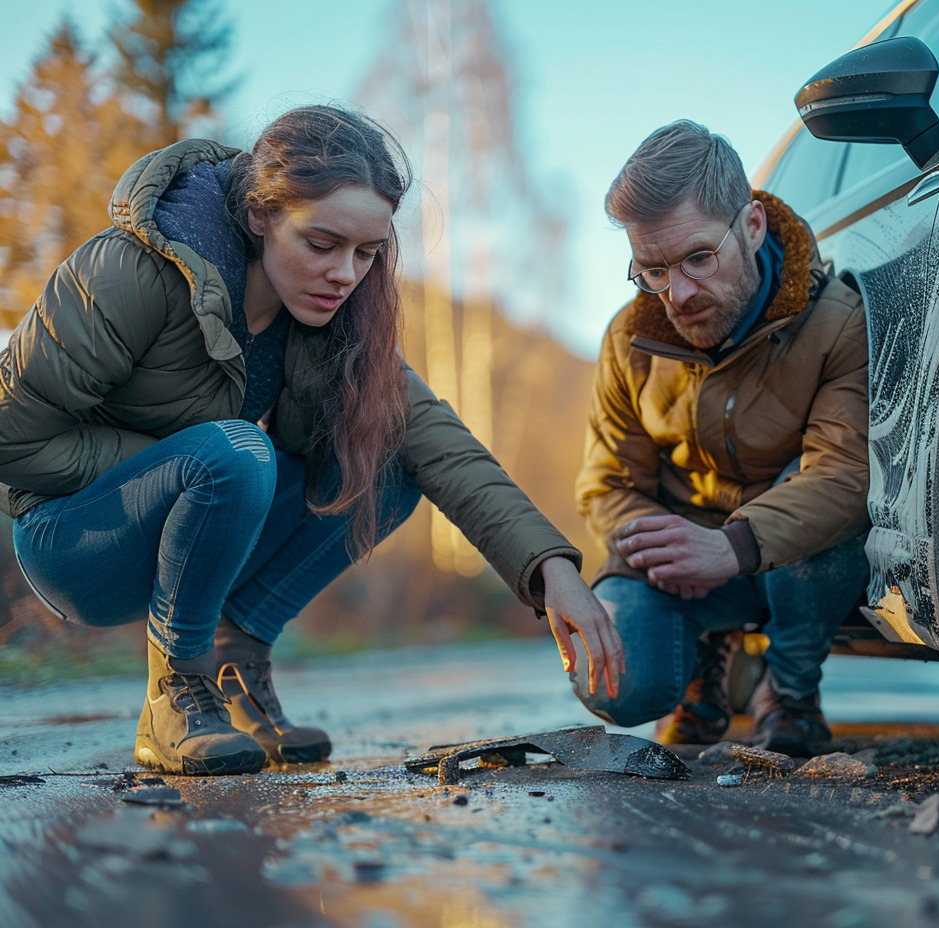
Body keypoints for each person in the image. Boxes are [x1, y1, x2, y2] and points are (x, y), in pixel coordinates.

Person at [0, 104, 623, 777]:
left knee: (387, 461)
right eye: (322, 245)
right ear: (261, 214)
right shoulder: (130, 271)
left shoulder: (337, 319)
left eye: (367, 253)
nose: (346, 274)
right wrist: (173, 469)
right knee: (238, 452)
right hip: (75, 536)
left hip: (206, 508)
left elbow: (442, 444)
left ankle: (237, 662)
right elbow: (12, 435)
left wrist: (551, 570)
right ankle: (175, 694)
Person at [572, 120, 870, 757]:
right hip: (685, 563)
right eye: (652, 270)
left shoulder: (837, 324)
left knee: (815, 521)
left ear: (753, 227)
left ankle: (787, 690)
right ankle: (701, 662)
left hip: (789, 565)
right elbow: (606, 484)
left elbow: (841, 478)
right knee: (617, 688)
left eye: (698, 259)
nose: (677, 294)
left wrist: (731, 545)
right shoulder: (629, 339)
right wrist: (669, 549)